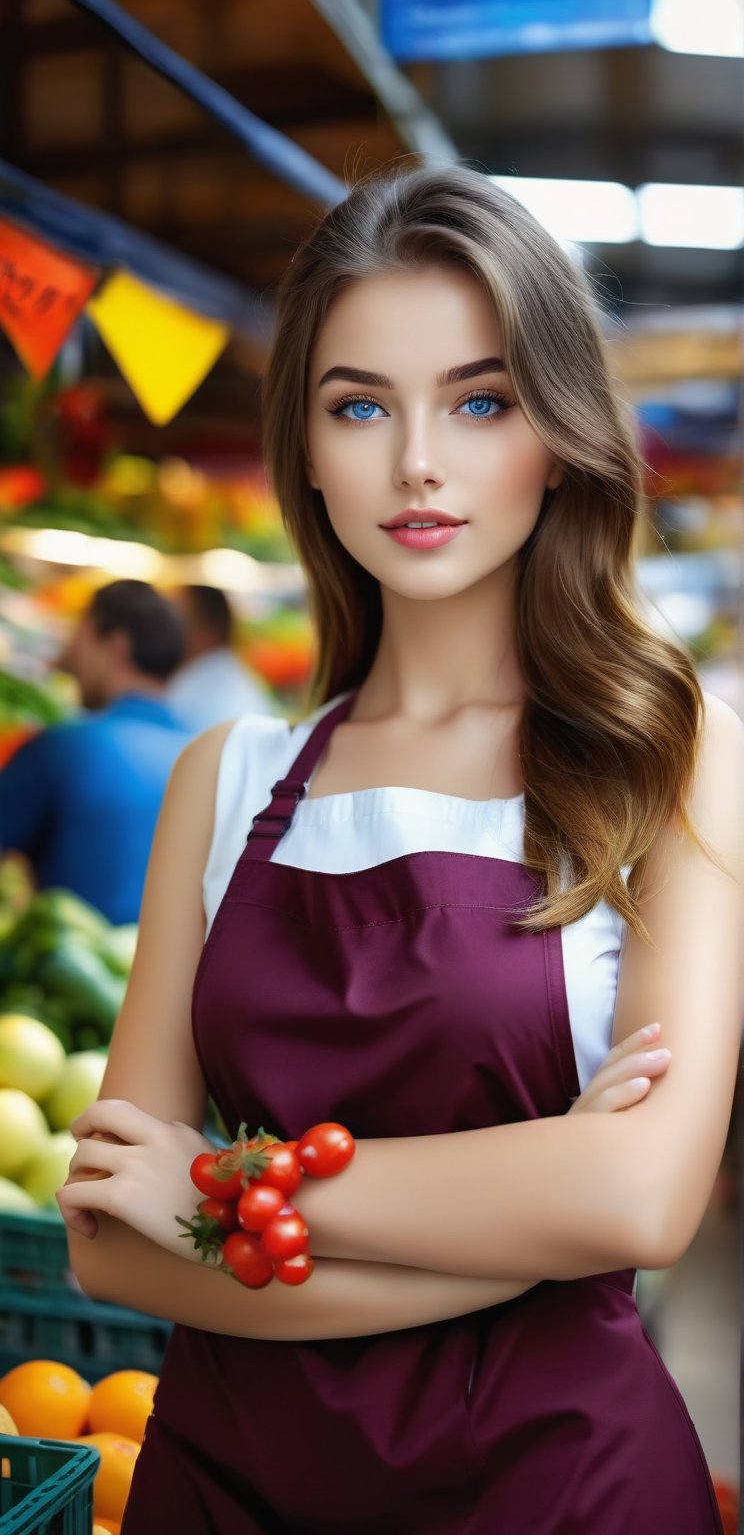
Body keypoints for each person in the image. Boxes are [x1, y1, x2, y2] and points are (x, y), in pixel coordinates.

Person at [57, 164, 742, 1533]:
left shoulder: (670, 754)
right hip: (226, 1491)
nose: (417, 460)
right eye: (360, 405)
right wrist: (525, 1216)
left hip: (560, 1491)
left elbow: (640, 1202)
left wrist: (231, 1181)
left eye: (479, 402)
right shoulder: (227, 778)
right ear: (304, 448)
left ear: (557, 431)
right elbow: (109, 1243)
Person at [0, 579, 191, 924]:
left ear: (116, 646)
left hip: (63, 968)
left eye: (78, 636)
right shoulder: (204, 755)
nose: (67, 655)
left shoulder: (65, 747)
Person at [166, 584, 277, 731]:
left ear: (210, 628)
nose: (165, 629)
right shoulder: (234, 677)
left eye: (177, 621)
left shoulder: (199, 687)